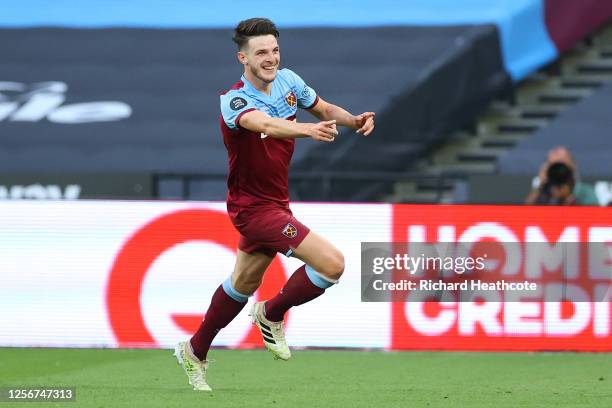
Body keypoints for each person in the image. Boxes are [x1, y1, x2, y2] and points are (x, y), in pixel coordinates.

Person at [174, 17, 375, 391]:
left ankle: (195, 349)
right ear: (243, 59)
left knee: (243, 282)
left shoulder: (289, 81)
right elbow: (266, 123)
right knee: (332, 264)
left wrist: (352, 120)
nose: (271, 59)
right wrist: (306, 129)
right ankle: (271, 312)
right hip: (252, 208)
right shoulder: (233, 99)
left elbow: (324, 108)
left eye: (275, 50)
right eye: (261, 53)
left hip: (276, 202)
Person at [525, 146, 599, 206]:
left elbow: (594, 217)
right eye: (554, 166)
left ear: (573, 167)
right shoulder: (543, 192)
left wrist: (569, 198)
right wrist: (539, 185)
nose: (559, 171)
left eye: (562, 166)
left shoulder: (585, 192)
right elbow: (526, 212)